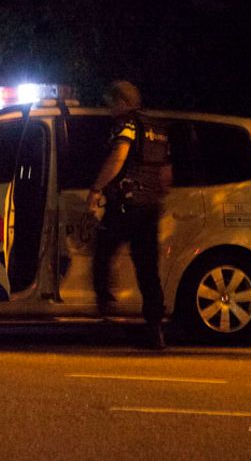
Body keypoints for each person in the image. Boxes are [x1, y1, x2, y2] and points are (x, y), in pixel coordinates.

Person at [86, 80, 172, 349]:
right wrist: (155, 198)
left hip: (125, 205)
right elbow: (166, 175)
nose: (109, 109)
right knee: (148, 269)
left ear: (122, 102)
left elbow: (118, 157)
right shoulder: (157, 129)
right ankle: (155, 329)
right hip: (149, 208)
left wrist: (96, 189)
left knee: (102, 255)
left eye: (111, 103)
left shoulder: (128, 125)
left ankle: (106, 312)